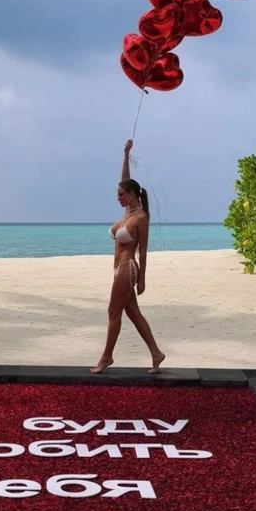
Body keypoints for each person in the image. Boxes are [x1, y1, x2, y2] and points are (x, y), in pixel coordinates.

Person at [91, 139, 166, 374]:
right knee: (133, 313)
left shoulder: (140, 217)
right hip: (118, 270)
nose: (118, 198)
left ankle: (107, 357)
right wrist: (125, 155)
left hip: (128, 267)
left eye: (121, 195)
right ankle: (156, 353)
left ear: (131, 196)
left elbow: (143, 249)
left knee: (113, 312)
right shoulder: (127, 211)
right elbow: (125, 179)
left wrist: (142, 279)